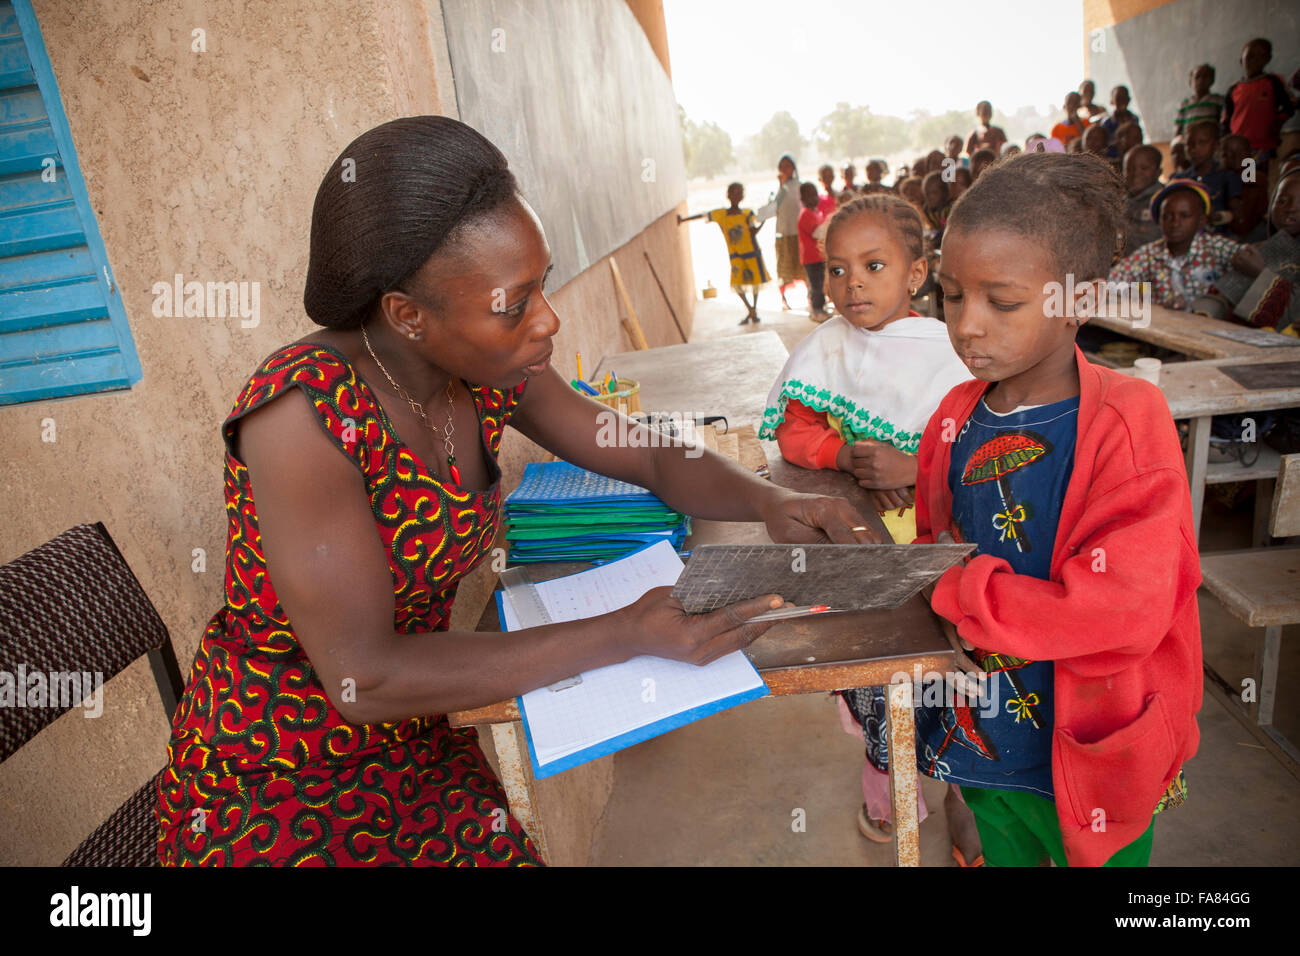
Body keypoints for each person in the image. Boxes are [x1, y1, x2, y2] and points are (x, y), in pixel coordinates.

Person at [155, 116, 879, 867]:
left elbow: (647, 458)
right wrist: (621, 632)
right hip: (277, 771)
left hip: (423, 726)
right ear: (407, 315)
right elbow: (360, 678)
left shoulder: (488, 369)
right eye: (515, 303)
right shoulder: (302, 418)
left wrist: (765, 498)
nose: (548, 320)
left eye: (543, 284)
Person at [915, 150, 1202, 867]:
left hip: (1093, 753)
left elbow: (1123, 610)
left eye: (1001, 301)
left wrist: (957, 592)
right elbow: (936, 540)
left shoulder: (1127, 420)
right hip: (984, 734)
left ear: (1078, 298)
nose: (967, 325)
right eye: (950, 295)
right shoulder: (954, 416)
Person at [757, 193, 973, 845]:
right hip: (866, 549)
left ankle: (968, 788)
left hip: (948, 546)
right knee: (881, 676)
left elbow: (983, 441)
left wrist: (916, 466)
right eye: (837, 268)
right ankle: (887, 782)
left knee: (960, 671)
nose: (852, 284)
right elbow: (793, 432)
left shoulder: (950, 351)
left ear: (916, 273)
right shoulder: (827, 348)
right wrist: (841, 452)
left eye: (874, 266)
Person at [1195, 167, 1300, 332]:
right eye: (1282, 201)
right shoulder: (1267, 249)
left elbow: (1294, 315)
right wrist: (1202, 315)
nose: (1290, 208)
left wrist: (1261, 273)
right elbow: (1223, 295)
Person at [1109, 180, 1242, 309]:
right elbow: (1113, 279)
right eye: (1167, 216)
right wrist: (1134, 293)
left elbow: (1252, 263)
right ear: (1158, 220)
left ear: (1201, 220)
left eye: (1185, 216)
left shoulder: (1216, 249)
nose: (1175, 223)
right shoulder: (1150, 254)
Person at [679, 182, 769, 324]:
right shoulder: (721, 214)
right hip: (736, 256)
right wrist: (683, 220)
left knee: (755, 283)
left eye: (739, 193)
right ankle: (751, 310)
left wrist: (764, 220)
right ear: (728, 195)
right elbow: (702, 216)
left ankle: (753, 310)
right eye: (733, 192)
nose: (736, 195)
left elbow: (754, 231)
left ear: (742, 196)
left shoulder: (748, 214)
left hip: (752, 253)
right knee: (737, 283)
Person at [1222, 37, 1296, 167]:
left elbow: (1289, 106)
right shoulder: (1234, 89)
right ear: (1241, 60)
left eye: (1260, 57)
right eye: (1250, 57)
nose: (1254, 61)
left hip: (1261, 146)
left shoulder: (1273, 82)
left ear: (1267, 59)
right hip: (1236, 148)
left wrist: (1278, 122)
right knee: (1239, 181)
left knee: (1253, 181)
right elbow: (1226, 120)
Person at [756, 154, 806, 310]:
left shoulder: (800, 186)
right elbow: (772, 208)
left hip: (799, 232)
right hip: (784, 233)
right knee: (784, 267)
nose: (785, 169)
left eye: (788, 166)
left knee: (803, 266)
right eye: (782, 167)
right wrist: (780, 186)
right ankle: (784, 299)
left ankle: (809, 296)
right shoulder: (779, 189)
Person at [1177, 120, 1242, 226]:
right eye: (1189, 144)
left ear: (1216, 145)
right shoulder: (1179, 179)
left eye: (1202, 143)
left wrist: (1217, 217)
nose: (1194, 149)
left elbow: (1237, 215)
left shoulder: (1227, 177)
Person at [1222, 133, 1269, 241]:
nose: (1236, 156)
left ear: (1250, 154)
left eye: (1241, 151)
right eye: (1229, 153)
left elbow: (1256, 215)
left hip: (1253, 234)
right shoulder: (1219, 179)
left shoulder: (1256, 179)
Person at [1122, 144, 1164, 256]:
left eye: (1144, 168)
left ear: (1158, 172)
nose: (1135, 173)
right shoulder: (1120, 201)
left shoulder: (1164, 202)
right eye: (1129, 169)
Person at [798, 182, 829, 321]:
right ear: (802, 198)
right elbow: (817, 233)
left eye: (815, 194)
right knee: (817, 285)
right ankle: (817, 310)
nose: (814, 198)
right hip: (812, 258)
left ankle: (820, 307)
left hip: (819, 257)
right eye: (809, 195)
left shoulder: (816, 212)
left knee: (820, 283)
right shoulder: (806, 214)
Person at [1175, 63, 1224, 135]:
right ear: (1190, 81)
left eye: (1205, 76)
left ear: (1212, 80)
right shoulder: (1184, 105)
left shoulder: (1219, 101)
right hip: (1189, 142)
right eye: (1197, 77)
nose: (1201, 80)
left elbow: (1223, 126)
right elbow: (1178, 130)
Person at [921, 170, 952, 242]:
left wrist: (934, 242)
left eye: (934, 192)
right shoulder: (927, 210)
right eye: (926, 193)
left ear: (945, 192)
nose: (930, 197)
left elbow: (944, 232)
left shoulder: (948, 211)